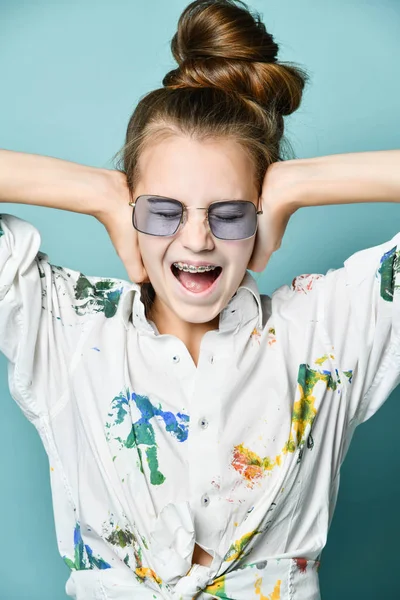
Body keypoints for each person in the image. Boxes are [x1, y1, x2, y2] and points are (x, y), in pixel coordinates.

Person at [1, 0, 399, 598]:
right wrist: (98, 193)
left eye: (229, 213)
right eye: (163, 211)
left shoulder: (326, 329)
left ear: (260, 216)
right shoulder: (63, 325)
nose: (196, 238)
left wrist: (302, 184)